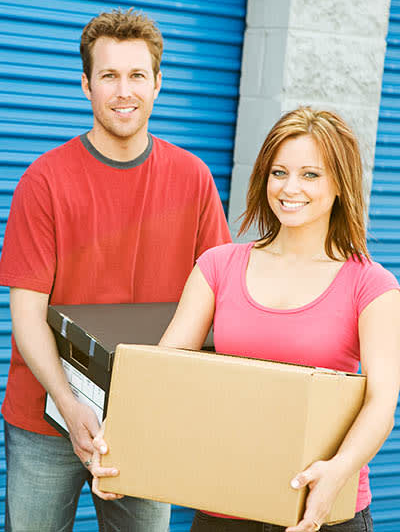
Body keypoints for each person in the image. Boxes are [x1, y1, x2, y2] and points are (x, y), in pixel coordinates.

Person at [91, 107, 400, 532]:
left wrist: (339, 470)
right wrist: (119, 443)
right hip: (225, 507)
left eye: (311, 175)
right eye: (279, 172)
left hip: (322, 506)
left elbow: (382, 401)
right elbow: (160, 375)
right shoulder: (218, 266)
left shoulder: (371, 284)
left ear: (340, 185)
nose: (290, 188)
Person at [0, 8, 231, 532]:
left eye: (136, 75)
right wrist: (67, 401)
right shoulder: (44, 182)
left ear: (158, 84)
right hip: (45, 419)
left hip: (147, 420)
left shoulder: (193, 179)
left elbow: (219, 300)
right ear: (86, 84)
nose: (123, 91)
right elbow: (27, 313)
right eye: (108, 75)